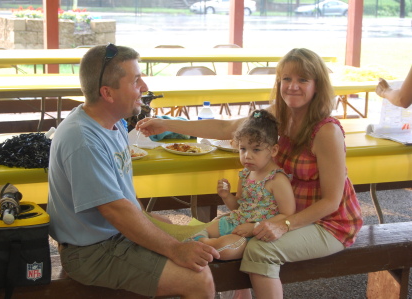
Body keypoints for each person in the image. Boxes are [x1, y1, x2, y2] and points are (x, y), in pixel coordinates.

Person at [137, 48, 363, 299]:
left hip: (329, 224)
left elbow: (331, 202)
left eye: (302, 79)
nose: (292, 86)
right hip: (285, 214)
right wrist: (167, 123)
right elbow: (227, 127)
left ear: (317, 85)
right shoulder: (278, 116)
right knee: (235, 233)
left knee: (259, 248)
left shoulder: (326, 132)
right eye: (286, 79)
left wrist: (284, 225)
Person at [47, 44, 220, 299]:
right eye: (136, 80)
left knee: (205, 239)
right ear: (107, 93)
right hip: (91, 252)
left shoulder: (111, 121)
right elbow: (116, 210)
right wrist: (174, 249)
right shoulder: (83, 140)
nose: (145, 87)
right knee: (198, 279)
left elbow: (122, 197)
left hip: (112, 236)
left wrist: (148, 220)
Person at [192, 109, 295, 262]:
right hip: (235, 222)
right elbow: (238, 206)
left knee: (226, 249)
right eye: (243, 149)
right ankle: (204, 244)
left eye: (256, 149)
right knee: (195, 230)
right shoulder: (246, 173)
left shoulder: (277, 179)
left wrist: (254, 227)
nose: (247, 155)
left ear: (273, 150)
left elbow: (287, 215)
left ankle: (203, 245)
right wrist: (226, 196)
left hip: (256, 233)